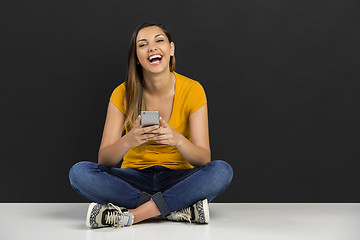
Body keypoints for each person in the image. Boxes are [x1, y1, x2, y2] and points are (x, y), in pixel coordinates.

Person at [69, 22, 233, 228]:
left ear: (171, 49)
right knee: (79, 173)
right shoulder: (122, 93)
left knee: (221, 171)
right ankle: (176, 209)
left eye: (159, 41)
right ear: (137, 57)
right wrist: (130, 139)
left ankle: (135, 215)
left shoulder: (193, 90)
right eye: (143, 44)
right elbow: (104, 160)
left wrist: (177, 140)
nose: (152, 48)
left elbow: (203, 159)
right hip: (133, 179)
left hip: (179, 178)